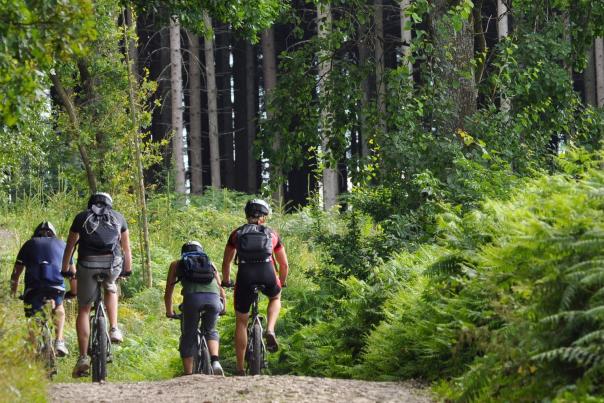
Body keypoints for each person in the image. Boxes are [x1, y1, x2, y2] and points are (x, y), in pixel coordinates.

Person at [61, 192, 132, 378]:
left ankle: (83, 357)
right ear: (110, 204)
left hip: (87, 264)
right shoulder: (118, 217)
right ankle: (114, 328)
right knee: (111, 286)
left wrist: (65, 268)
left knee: (84, 309)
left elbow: (70, 245)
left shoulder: (81, 217)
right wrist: (128, 269)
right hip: (112, 264)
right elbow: (126, 248)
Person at [221, 199, 289, 375]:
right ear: (264, 217)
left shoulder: (236, 234)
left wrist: (227, 280)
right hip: (267, 271)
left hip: (245, 274)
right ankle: (270, 329)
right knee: (275, 297)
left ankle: (240, 368)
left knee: (241, 322)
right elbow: (284, 265)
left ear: (247, 215)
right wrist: (281, 282)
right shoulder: (272, 234)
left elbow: (227, 262)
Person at [10, 221, 74, 357]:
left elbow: (16, 274)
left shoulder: (29, 244)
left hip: (34, 288)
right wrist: (73, 292)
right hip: (55, 285)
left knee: (32, 316)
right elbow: (73, 274)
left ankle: (32, 348)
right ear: (54, 234)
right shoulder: (62, 245)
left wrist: (13, 295)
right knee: (59, 306)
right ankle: (59, 341)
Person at [164, 241, 226, 376]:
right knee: (210, 330)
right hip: (214, 300)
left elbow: (169, 291)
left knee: (189, 335)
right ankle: (215, 361)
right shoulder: (210, 263)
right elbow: (220, 288)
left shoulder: (177, 264)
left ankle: (188, 374)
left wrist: (169, 311)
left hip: (192, 300)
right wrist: (223, 307)